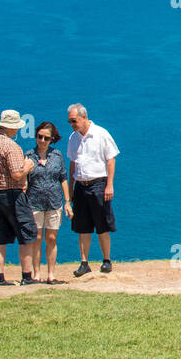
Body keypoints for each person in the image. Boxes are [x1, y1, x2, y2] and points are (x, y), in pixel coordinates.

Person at [0, 109, 38, 285]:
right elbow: (16, 173)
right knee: (26, 234)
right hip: (12, 194)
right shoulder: (11, 147)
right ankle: (27, 276)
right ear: (12, 128)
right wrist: (29, 165)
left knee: (0, 237)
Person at [66, 103, 119, 277]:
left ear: (83, 117)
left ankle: (106, 260)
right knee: (82, 226)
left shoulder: (101, 134)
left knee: (102, 224)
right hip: (81, 185)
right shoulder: (73, 138)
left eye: (74, 121)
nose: (72, 124)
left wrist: (109, 184)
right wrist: (71, 188)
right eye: (70, 122)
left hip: (98, 184)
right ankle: (84, 262)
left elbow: (110, 159)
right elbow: (72, 164)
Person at [25, 121, 70, 284]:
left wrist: (67, 202)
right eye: (39, 137)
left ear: (52, 139)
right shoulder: (29, 155)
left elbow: (63, 178)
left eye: (46, 138)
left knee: (51, 238)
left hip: (54, 202)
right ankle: (36, 274)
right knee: (36, 238)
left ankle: (51, 274)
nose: (42, 141)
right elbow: (24, 181)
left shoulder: (57, 155)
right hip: (34, 202)